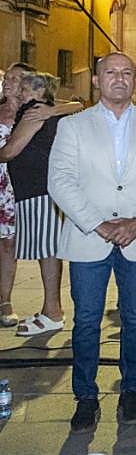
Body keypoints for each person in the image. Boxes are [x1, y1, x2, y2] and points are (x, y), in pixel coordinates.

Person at [47, 53, 136, 431]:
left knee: (135, 318)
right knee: (86, 320)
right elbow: (60, 181)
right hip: (88, 238)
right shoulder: (72, 126)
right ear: (96, 80)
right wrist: (98, 224)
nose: (119, 79)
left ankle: (132, 391)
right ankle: (85, 397)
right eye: (110, 72)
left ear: (135, 80)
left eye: (126, 73)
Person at [0, 72, 70, 337]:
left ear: (40, 93)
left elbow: (10, 151)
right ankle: (50, 310)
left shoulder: (34, 112)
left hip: (39, 192)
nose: (20, 93)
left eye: (25, 88)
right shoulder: (38, 111)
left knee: (48, 252)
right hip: (34, 192)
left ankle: (53, 312)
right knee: (45, 250)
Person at [0, 62, 35, 328]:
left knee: (8, 244)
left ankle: (5, 302)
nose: (7, 82)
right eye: (6, 78)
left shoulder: (31, 113)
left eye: (15, 78)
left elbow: (74, 105)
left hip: (12, 185)